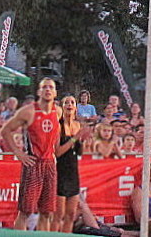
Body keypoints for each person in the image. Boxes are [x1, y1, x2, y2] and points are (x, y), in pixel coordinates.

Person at [0, 76, 62, 230]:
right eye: (44, 87)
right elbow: (6, 131)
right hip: (33, 163)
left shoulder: (58, 111)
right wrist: (19, 153)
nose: (47, 90)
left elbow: (56, 135)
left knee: (47, 212)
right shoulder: (28, 111)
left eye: (51, 87)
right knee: (26, 210)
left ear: (55, 93)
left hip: (50, 164)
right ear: (39, 91)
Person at [55, 94, 85, 232]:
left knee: (71, 214)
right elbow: (58, 152)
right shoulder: (58, 126)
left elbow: (79, 152)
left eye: (72, 102)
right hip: (60, 170)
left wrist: (82, 141)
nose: (69, 105)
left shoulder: (78, 125)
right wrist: (74, 139)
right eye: (66, 102)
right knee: (58, 214)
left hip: (73, 171)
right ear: (62, 107)